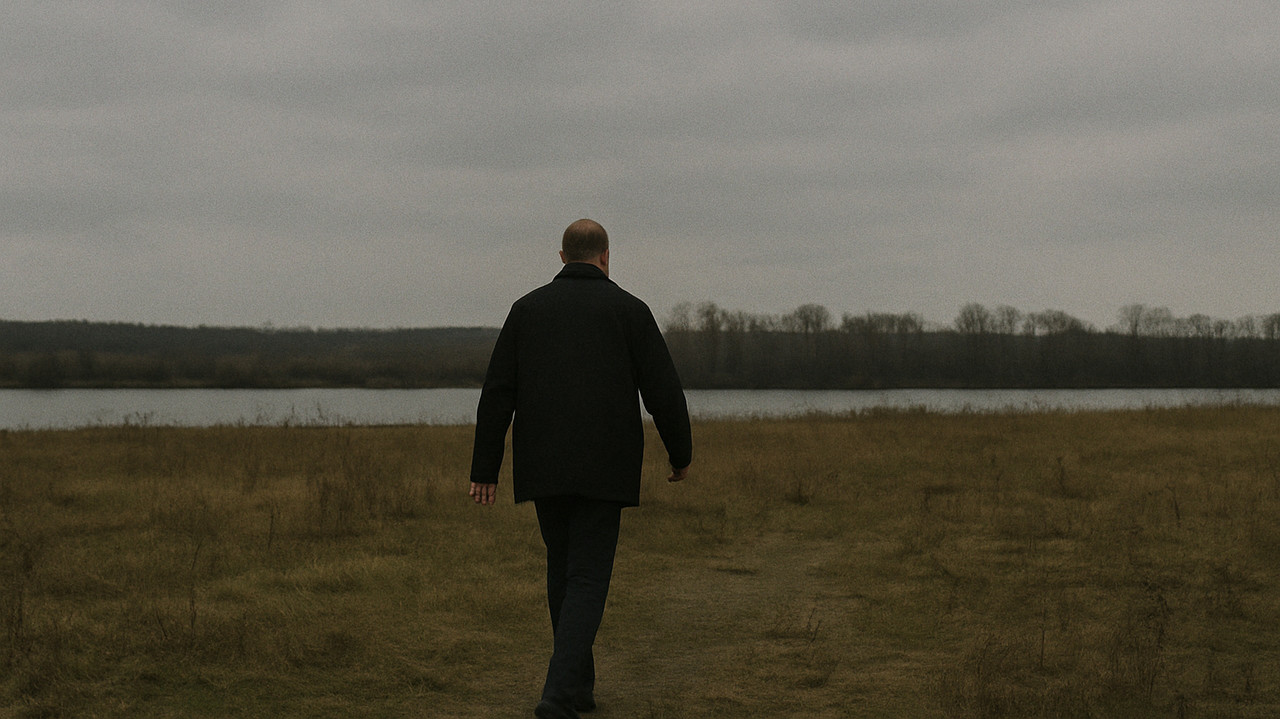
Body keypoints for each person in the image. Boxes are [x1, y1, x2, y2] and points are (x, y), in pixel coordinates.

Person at [469, 218, 693, 719]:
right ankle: (556, 695)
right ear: (605, 256)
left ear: (563, 254)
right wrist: (681, 455)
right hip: (605, 468)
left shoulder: (526, 311)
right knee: (588, 576)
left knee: (563, 571)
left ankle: (577, 689)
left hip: (543, 466)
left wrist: (485, 468)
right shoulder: (630, 311)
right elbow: (664, 392)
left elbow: (497, 393)